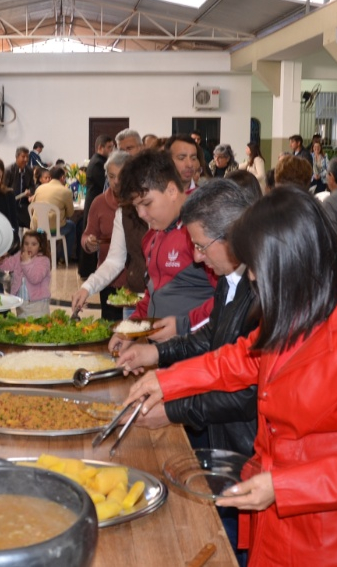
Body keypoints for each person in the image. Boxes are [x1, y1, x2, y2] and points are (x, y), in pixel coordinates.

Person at [124, 185, 337, 567]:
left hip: (328, 540)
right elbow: (245, 357)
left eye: (257, 267)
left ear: (294, 262)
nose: (252, 278)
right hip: (270, 519)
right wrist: (168, 380)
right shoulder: (306, 302)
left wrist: (285, 486)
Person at [117, 179, 260, 566]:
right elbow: (209, 340)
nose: (196, 258)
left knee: (232, 541)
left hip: (245, 443)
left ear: (233, 236)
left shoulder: (260, 294)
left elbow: (247, 392)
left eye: (200, 246)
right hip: (220, 436)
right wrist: (155, 354)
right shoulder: (230, 282)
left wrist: (174, 407)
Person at [108, 150, 216, 348]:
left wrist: (183, 325)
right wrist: (129, 329)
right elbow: (153, 293)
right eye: (136, 206)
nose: (141, 214)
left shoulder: (204, 228)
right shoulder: (152, 236)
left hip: (199, 353)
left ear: (172, 191)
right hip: (164, 353)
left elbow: (231, 298)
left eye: (146, 203)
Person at [80, 151, 130, 320]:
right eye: (111, 176)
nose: (116, 182)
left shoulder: (141, 204)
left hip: (135, 280)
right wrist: (89, 242)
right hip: (108, 277)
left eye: (121, 176)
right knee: (110, 327)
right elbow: (87, 235)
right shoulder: (99, 202)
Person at [81, 135, 116, 278]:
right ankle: (87, 270)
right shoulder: (97, 163)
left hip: (96, 199)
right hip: (95, 201)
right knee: (92, 234)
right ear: (100, 148)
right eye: (109, 147)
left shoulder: (101, 161)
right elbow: (104, 184)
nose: (111, 150)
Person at [0, 230, 51, 318]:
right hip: (21, 303)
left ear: (40, 247)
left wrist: (26, 262)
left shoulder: (43, 260)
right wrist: (0, 258)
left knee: (38, 326)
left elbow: (35, 278)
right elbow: (6, 266)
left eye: (33, 244)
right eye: (26, 244)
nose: (29, 247)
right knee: (23, 327)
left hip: (37, 303)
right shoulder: (19, 256)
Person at [31, 164, 76, 262]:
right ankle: (63, 257)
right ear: (62, 178)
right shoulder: (66, 191)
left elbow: (33, 207)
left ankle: (49, 254)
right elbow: (70, 213)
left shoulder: (40, 188)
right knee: (72, 226)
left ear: (50, 177)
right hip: (54, 229)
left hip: (38, 228)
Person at [6, 145, 35, 227]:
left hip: (25, 205)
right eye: (23, 157)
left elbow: (32, 186)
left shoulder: (29, 170)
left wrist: (30, 191)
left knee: (31, 226)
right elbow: (4, 188)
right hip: (12, 204)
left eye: (27, 157)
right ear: (17, 157)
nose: (26, 160)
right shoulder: (9, 170)